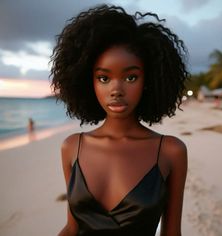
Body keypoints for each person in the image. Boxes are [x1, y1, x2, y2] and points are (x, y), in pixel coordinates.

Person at [50, 4, 188, 236]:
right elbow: (72, 228)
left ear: (148, 80)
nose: (116, 90)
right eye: (103, 78)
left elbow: (172, 233)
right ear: (88, 82)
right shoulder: (72, 146)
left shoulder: (170, 151)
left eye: (131, 77)